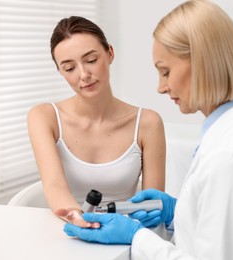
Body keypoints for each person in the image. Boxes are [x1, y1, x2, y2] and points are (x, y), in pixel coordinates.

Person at [61, 1, 233, 259]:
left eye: (165, 72)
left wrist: (136, 237)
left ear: (203, 63)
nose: (161, 87)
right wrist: (179, 214)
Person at [27, 16, 166, 228]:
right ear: (60, 71)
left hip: (127, 234)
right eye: (69, 68)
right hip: (69, 231)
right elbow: (54, 186)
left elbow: (152, 203)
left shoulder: (148, 123)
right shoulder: (44, 117)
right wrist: (80, 220)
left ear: (110, 53)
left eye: (91, 60)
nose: (84, 75)